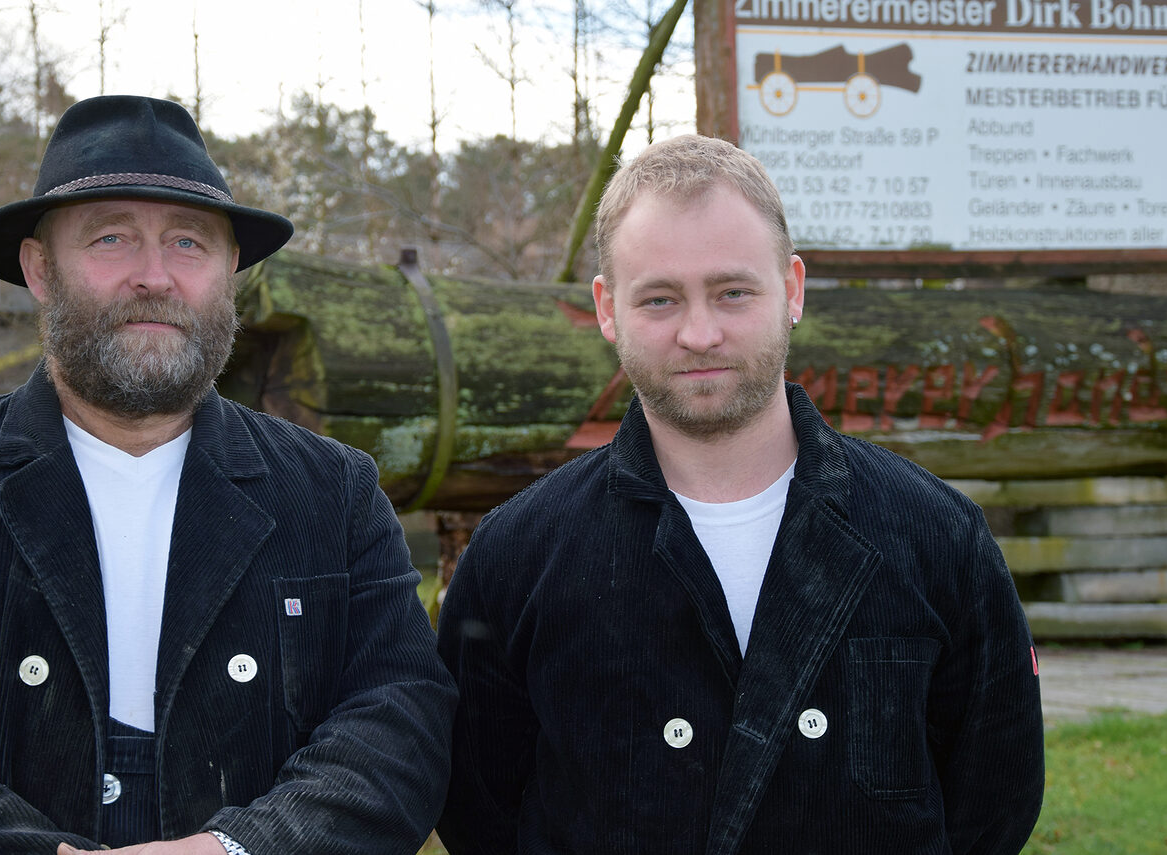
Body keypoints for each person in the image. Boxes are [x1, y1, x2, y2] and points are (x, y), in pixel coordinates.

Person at [0, 95, 456, 855]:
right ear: (40, 268)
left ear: (230, 270)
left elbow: (401, 723)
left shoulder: (334, 495)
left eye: (190, 243)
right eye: (110, 238)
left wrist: (239, 848)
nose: (155, 277)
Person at [435, 134, 1044, 854]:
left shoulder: (936, 536)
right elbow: (479, 808)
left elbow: (993, 802)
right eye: (659, 299)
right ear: (606, 308)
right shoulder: (517, 557)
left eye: (732, 291)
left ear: (792, 287)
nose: (700, 332)